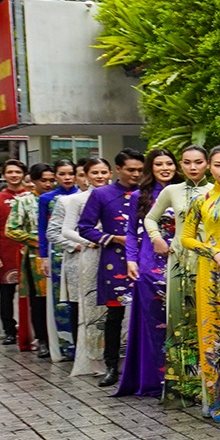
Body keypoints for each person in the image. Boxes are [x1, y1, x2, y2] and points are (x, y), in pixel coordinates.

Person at [78, 151, 152, 386]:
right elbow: (85, 228)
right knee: (115, 314)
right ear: (118, 170)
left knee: (150, 311)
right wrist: (114, 239)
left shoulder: (153, 192)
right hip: (115, 260)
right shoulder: (102, 194)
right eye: (131, 170)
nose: (136, 174)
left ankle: (148, 364)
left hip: (149, 258)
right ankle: (112, 366)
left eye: (140, 170)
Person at [147, 146, 212, 405]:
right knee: (180, 324)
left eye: (198, 162)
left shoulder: (219, 192)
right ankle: (185, 386)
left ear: (207, 164)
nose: (193, 167)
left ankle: (210, 386)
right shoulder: (171, 191)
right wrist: (157, 239)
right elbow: (150, 219)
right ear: (181, 165)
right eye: (187, 162)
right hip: (179, 264)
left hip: (211, 263)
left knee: (206, 322)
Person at [113, 150, 176, 397]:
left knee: (180, 322)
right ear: (151, 167)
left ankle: (185, 377)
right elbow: (130, 232)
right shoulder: (140, 196)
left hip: (181, 263)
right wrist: (131, 260)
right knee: (154, 324)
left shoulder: (184, 192)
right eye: (159, 164)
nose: (164, 168)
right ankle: (156, 378)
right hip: (150, 267)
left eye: (169, 163)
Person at [185, 145, 220, 420]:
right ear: (210, 167)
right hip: (210, 273)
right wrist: (212, 251)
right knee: (212, 334)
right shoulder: (200, 200)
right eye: (218, 165)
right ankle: (217, 400)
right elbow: (186, 237)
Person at [55, 160, 110, 377]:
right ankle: (96, 361)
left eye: (103, 172)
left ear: (111, 173)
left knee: (120, 309)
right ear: (85, 175)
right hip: (91, 255)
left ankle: (120, 357)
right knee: (93, 306)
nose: (99, 176)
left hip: (117, 254)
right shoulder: (74, 200)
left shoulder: (121, 195)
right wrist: (89, 241)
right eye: (94, 172)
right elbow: (66, 230)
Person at [0, 158, 30, 347]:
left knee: (32, 294)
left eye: (17, 172)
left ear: (23, 175)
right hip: (5, 251)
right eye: (10, 172)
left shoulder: (31, 196)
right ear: (4, 175)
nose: (14, 175)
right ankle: (9, 331)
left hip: (29, 248)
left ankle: (31, 329)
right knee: (6, 294)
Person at [11, 163, 56, 359]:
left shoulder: (61, 198)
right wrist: (36, 240)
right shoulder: (24, 202)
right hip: (35, 256)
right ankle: (43, 339)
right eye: (42, 180)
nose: (47, 184)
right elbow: (11, 229)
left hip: (63, 252)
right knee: (39, 300)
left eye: (50, 180)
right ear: (34, 181)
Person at [40, 161, 81, 359]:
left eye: (70, 173)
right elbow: (44, 230)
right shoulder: (47, 198)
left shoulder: (84, 196)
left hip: (85, 248)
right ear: (55, 176)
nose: (67, 177)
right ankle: (67, 343)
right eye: (62, 174)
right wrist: (43, 256)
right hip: (59, 251)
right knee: (61, 299)